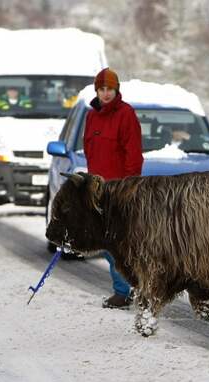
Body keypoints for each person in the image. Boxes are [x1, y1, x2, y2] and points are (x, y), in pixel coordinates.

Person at [84, 67, 144, 309]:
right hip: (98, 189)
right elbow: (90, 152)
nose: (106, 94)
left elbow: (133, 153)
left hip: (120, 190)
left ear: (116, 90)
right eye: (102, 89)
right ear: (96, 91)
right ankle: (126, 288)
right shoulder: (91, 117)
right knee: (108, 243)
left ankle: (126, 290)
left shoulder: (126, 114)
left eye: (110, 89)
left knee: (118, 242)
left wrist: (129, 186)